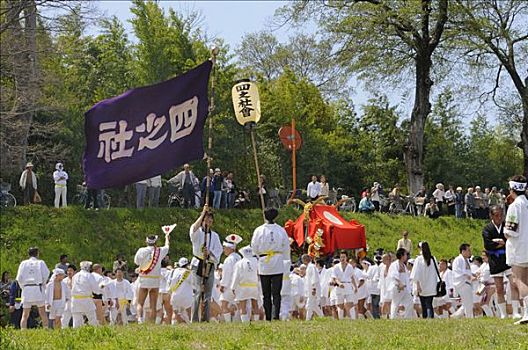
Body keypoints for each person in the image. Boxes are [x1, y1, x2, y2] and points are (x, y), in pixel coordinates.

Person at [251, 207, 291, 321]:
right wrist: (285, 258)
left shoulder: (259, 230)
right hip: (277, 261)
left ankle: (269, 316)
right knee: (276, 293)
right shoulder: (281, 230)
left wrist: (259, 255)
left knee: (266, 292)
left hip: (265, 262)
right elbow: (285, 246)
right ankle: (275, 315)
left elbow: (254, 246)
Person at [482, 205, 521, 319]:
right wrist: (501, 242)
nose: (499, 217)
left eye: (501, 215)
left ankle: (515, 311)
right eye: (496, 215)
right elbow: (487, 245)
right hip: (495, 260)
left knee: (513, 284)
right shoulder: (487, 229)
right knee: (499, 288)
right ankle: (503, 313)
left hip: (508, 258)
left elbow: (511, 239)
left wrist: (499, 242)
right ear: (491, 216)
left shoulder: (506, 226)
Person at [190, 205, 222, 322]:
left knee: (208, 294)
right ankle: (194, 319)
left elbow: (218, 252)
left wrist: (210, 254)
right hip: (197, 263)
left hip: (209, 263)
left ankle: (206, 318)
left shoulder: (215, 236)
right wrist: (203, 213)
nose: (208, 222)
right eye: (206, 220)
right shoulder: (197, 233)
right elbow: (193, 228)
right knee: (198, 292)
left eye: (210, 220)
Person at [504, 175, 528, 325]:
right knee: (526, 279)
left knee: (518, 279)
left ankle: (527, 312)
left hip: (519, 246)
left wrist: (504, 235)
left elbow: (510, 231)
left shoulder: (514, 206)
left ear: (512, 189)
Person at [134, 231, 170, 323]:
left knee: (140, 303)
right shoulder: (159, 251)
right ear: (156, 242)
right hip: (154, 280)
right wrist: (166, 237)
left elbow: (137, 262)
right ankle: (152, 322)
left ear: (146, 242)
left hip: (144, 278)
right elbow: (167, 246)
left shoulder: (141, 250)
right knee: (153, 305)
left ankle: (139, 320)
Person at [15, 247, 49, 329]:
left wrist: (23, 287)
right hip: (37, 288)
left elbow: (19, 278)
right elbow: (46, 274)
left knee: (25, 313)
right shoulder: (40, 262)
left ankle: (23, 331)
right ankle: (46, 329)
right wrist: (43, 285)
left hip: (27, 289)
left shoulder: (23, 263)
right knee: (42, 312)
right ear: (37, 254)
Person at [231, 245, 260, 322]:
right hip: (254, 286)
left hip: (243, 287)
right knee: (255, 305)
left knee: (242, 306)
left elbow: (236, 276)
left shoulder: (239, 263)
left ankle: (245, 323)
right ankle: (256, 321)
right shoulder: (256, 261)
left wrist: (233, 287)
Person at [411, 242, 438, 318]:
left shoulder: (419, 259)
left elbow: (415, 274)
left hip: (422, 286)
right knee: (429, 304)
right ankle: (430, 318)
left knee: (424, 304)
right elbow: (437, 272)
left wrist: (417, 286)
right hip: (431, 286)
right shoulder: (433, 258)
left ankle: (425, 318)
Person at [219, 234, 242, 322]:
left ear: (230, 248)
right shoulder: (239, 257)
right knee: (238, 304)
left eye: (225, 247)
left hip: (229, 285)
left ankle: (229, 323)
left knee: (223, 304)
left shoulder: (229, 259)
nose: (224, 249)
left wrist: (223, 285)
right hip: (238, 285)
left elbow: (227, 274)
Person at [71, 261, 99, 328]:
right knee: (92, 318)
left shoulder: (75, 276)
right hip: (86, 299)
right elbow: (95, 289)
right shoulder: (89, 275)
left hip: (75, 300)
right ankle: (95, 333)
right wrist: (100, 289)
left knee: (76, 320)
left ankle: (76, 335)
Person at [388, 248, 414, 319]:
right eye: (405, 254)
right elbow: (393, 275)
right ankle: (393, 318)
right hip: (397, 287)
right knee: (395, 303)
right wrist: (399, 283)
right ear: (402, 255)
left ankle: (407, 318)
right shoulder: (394, 264)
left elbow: (406, 277)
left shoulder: (404, 265)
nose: (406, 256)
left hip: (405, 288)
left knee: (410, 302)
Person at [331, 250, 358, 320]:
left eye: (344, 257)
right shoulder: (336, 267)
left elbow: (352, 277)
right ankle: (341, 320)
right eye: (341, 257)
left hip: (348, 285)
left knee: (350, 303)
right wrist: (339, 283)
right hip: (339, 286)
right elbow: (334, 278)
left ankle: (353, 319)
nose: (342, 259)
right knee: (340, 305)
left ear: (346, 258)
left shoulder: (350, 266)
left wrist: (355, 287)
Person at [452, 243, 475, 318]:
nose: (470, 252)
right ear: (463, 251)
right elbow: (457, 271)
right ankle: (469, 317)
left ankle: (455, 316)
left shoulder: (466, 260)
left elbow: (467, 271)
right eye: (468, 250)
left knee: (467, 303)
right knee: (468, 303)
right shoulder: (458, 260)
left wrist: (473, 275)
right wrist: (467, 276)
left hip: (467, 283)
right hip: (462, 283)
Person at [168, 257, 193, 324]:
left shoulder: (173, 271)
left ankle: (173, 327)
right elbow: (193, 283)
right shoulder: (189, 273)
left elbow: (169, 282)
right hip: (186, 296)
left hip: (175, 295)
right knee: (188, 312)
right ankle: (189, 325)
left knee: (175, 313)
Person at [301, 254, 323, 320]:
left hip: (313, 289)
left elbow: (314, 278)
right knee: (314, 306)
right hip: (310, 289)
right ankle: (322, 316)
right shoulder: (309, 267)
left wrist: (314, 288)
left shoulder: (311, 267)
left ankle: (308, 319)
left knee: (309, 305)